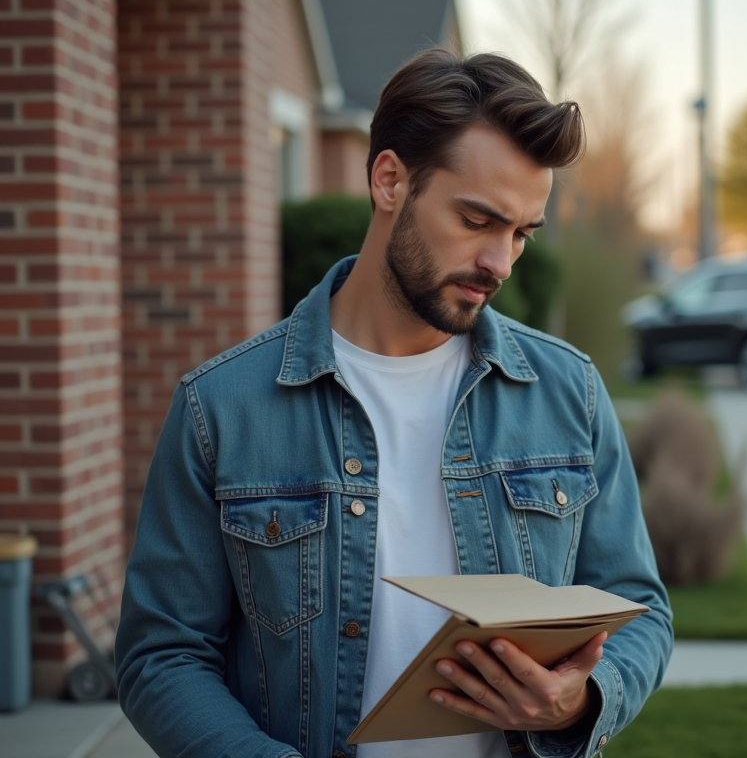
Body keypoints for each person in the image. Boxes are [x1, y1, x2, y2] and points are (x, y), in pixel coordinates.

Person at [115, 49, 672, 758]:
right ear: (389, 180)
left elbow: (641, 607)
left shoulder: (570, 391)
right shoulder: (220, 408)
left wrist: (581, 701)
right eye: (477, 220)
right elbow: (160, 656)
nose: (501, 263)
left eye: (521, 234)